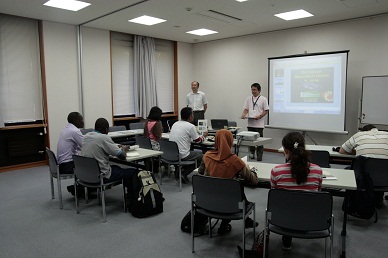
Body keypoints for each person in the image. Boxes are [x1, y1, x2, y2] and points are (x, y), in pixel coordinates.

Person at [198, 129, 259, 235]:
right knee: (233, 189)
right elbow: (253, 181)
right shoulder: (234, 160)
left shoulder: (207, 156)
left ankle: (227, 224)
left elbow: (200, 173)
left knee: (226, 189)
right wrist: (250, 170)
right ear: (230, 141)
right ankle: (231, 223)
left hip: (208, 201)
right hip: (230, 205)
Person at [270, 131, 323, 251]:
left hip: (283, 219)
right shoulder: (317, 170)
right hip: (310, 219)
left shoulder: (276, 171)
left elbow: (274, 197)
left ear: (286, 151)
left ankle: (287, 237)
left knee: (287, 205)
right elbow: (318, 195)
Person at [81, 118, 138, 194]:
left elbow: (99, 146)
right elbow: (122, 156)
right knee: (133, 172)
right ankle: (132, 198)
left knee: (117, 168)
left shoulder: (86, 136)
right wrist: (124, 149)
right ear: (106, 129)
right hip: (102, 176)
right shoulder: (103, 137)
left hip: (87, 174)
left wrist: (114, 146)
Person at [339, 124, 388, 207]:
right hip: (385, 179)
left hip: (364, 178)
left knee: (348, 170)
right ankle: (378, 199)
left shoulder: (359, 135)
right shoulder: (386, 134)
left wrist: (356, 150)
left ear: (363, 131)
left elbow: (342, 151)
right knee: (379, 169)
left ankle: (351, 201)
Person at [169, 107, 208, 183]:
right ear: (190, 116)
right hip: (183, 154)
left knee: (194, 152)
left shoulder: (175, 124)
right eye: (193, 115)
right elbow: (198, 141)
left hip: (173, 154)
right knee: (204, 157)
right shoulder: (190, 126)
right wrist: (204, 136)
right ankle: (184, 173)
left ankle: (180, 171)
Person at [241, 83, 269, 161]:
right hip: (250, 123)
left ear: (259, 90)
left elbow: (266, 110)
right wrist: (243, 115)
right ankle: (252, 154)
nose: (253, 91)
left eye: (255, 89)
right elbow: (246, 109)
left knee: (259, 141)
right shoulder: (249, 99)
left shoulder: (263, 99)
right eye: (252, 89)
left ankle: (259, 156)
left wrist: (259, 116)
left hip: (259, 124)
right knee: (250, 141)